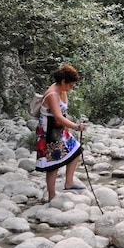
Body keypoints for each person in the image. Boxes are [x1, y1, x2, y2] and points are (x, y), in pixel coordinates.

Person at [35, 64, 87, 201]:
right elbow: (58, 116)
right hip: (49, 130)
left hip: (59, 128)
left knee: (76, 149)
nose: (71, 88)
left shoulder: (62, 90)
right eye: (70, 85)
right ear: (63, 81)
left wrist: (69, 127)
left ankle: (69, 182)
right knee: (53, 163)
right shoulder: (52, 94)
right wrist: (76, 126)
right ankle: (52, 195)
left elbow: (63, 114)